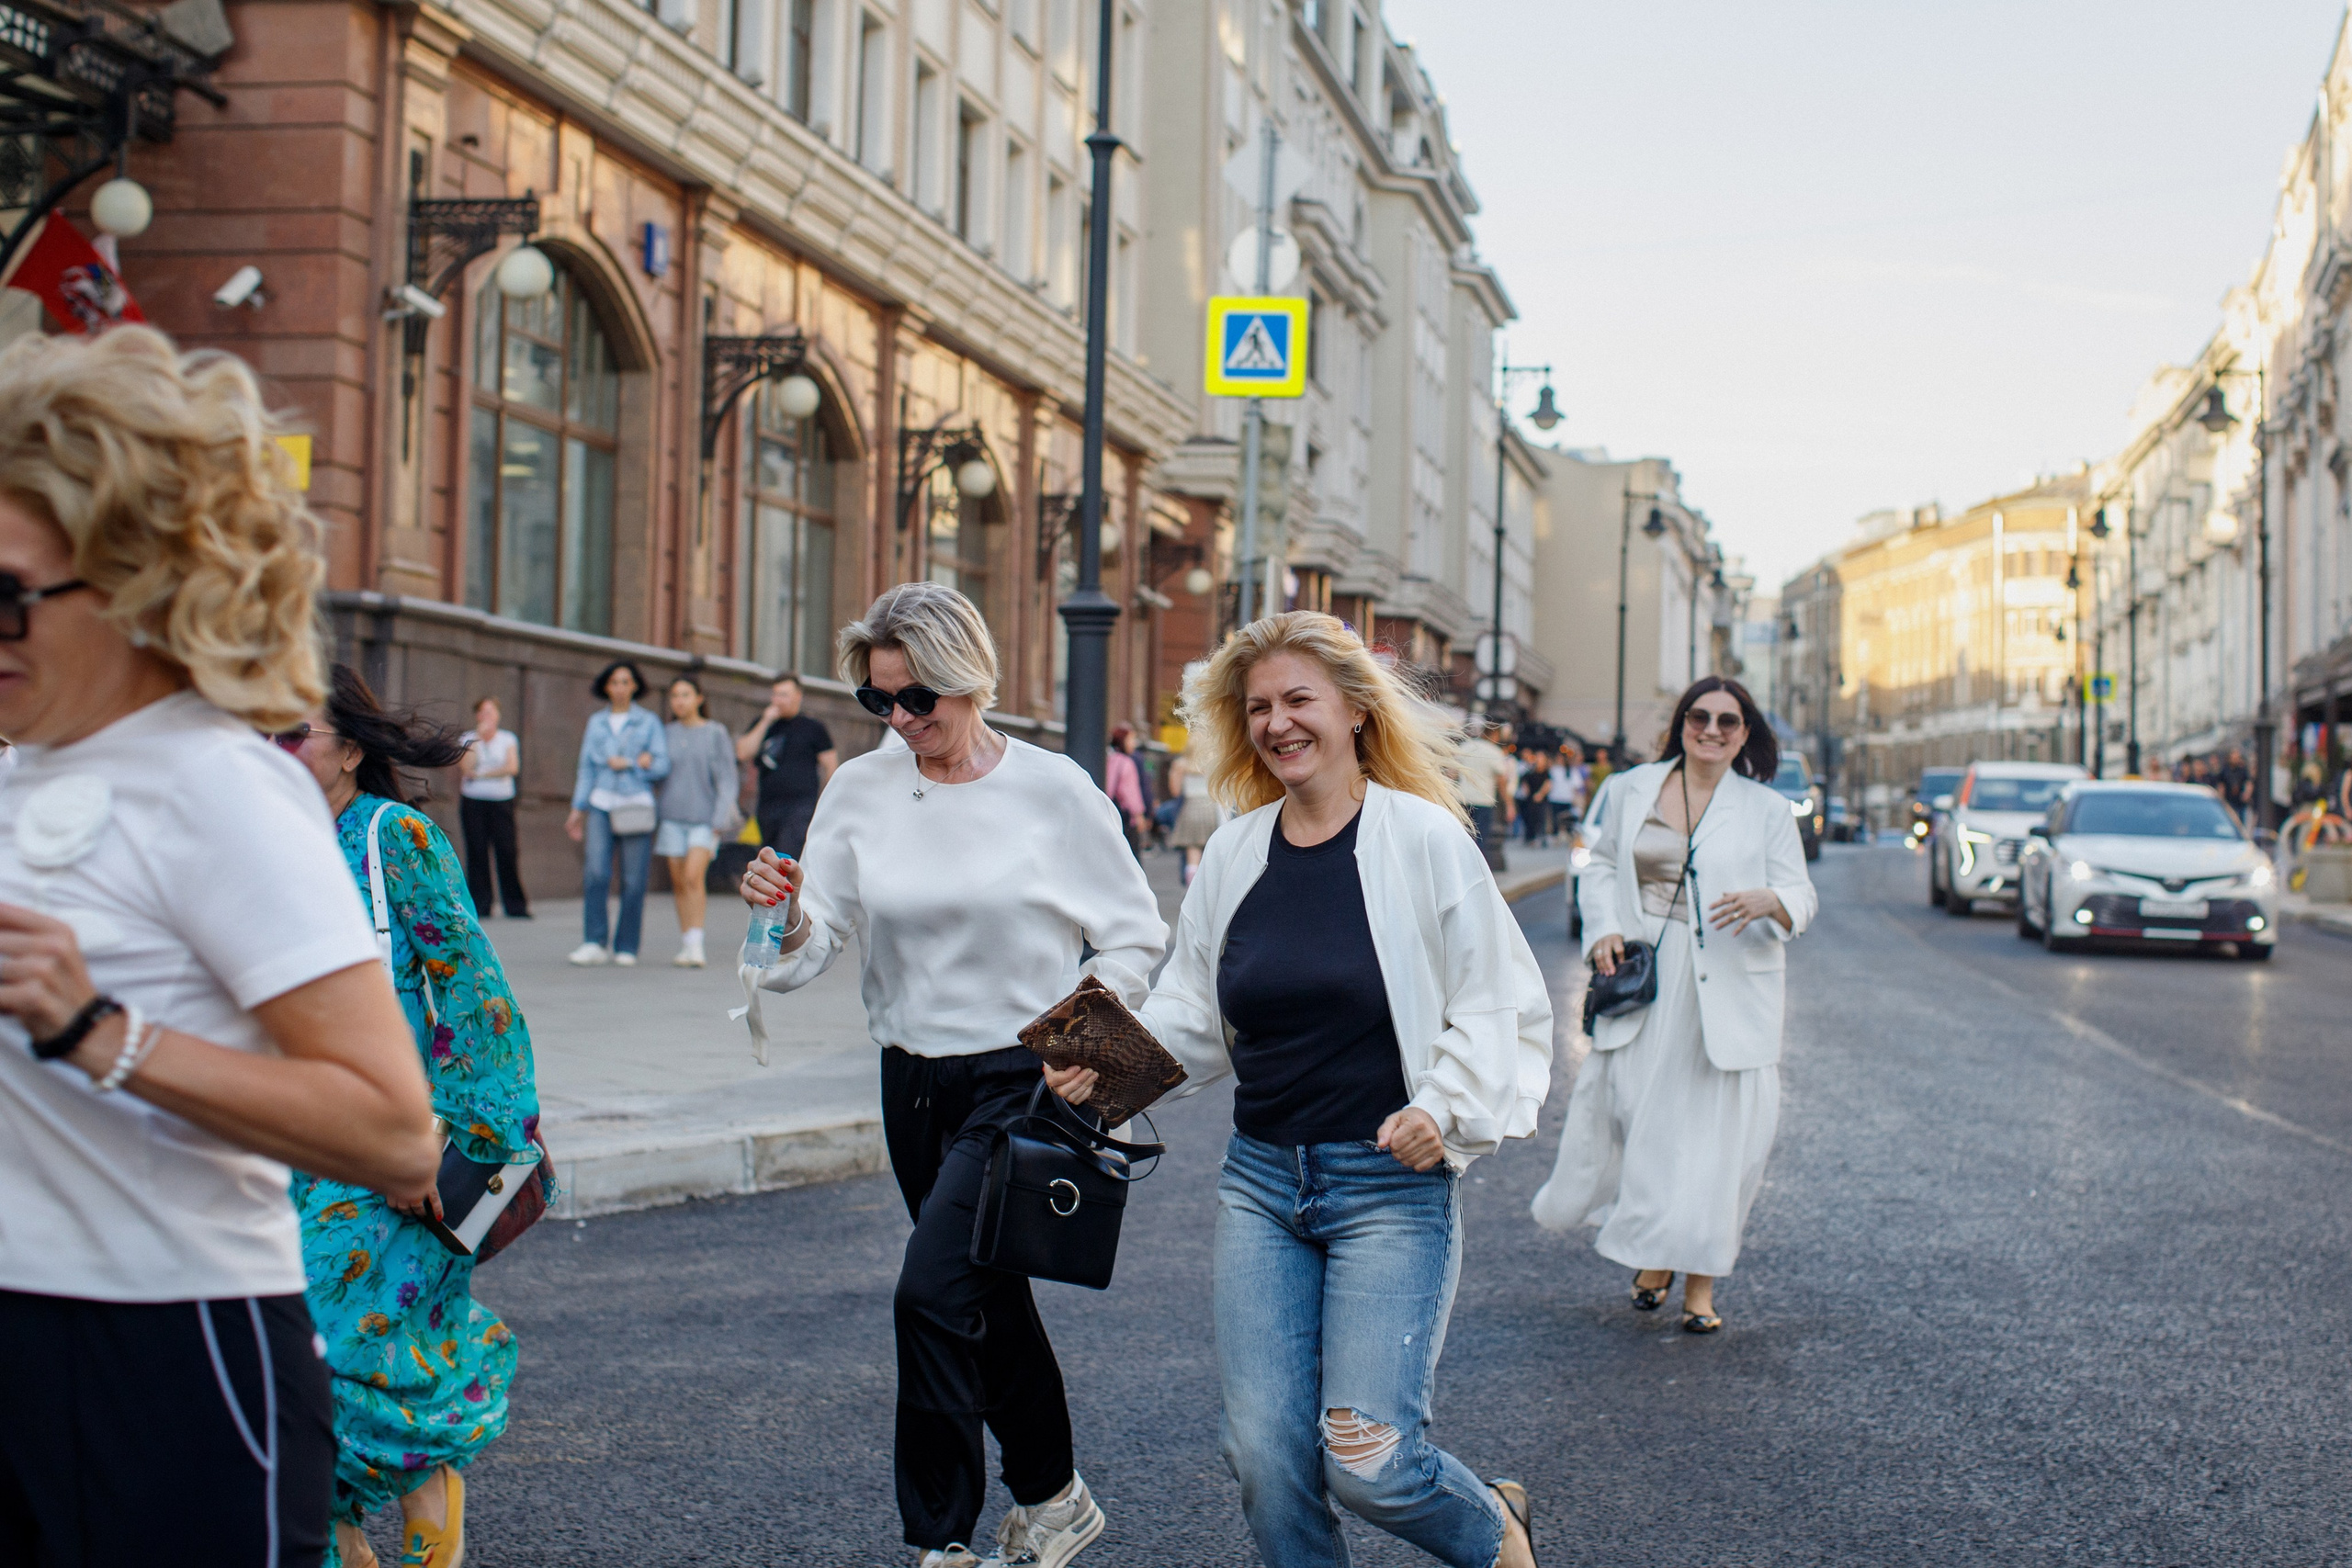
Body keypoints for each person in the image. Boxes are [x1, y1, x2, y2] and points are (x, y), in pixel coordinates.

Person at [0, 325, 438, 1565]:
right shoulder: (23, 771)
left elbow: (392, 1127)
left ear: (140, 584)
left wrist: (103, 1033)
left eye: (7, 594)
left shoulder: (219, 786)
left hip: (161, 1355)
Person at [1051, 611, 1550, 1568]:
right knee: (1264, 1457)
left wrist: (1439, 1110)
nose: (1277, 723)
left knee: (1370, 1459)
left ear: (1355, 712)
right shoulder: (1236, 851)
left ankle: (1493, 1523)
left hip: (1388, 1188)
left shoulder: (1423, 840)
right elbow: (1197, 1011)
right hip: (1262, 1186)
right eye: (1259, 708)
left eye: (1297, 701)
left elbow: (1494, 1003)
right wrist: (1099, 1067)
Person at [739, 581, 1166, 1568]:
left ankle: (939, 1542)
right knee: (985, 1297)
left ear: (968, 678)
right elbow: (810, 949)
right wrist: (781, 910)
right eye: (877, 701)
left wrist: (1083, 1042)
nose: (898, 720)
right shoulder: (861, 788)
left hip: (1024, 1081)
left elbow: (1136, 934)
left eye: (915, 699)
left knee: (930, 1293)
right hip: (913, 1086)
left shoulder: (1053, 790)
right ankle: (1056, 1498)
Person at [281, 663, 544, 1568]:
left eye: (292, 732)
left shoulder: (393, 839)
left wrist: (474, 1149)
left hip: (388, 1153)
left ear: (352, 750)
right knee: (292, 1374)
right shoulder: (255, 849)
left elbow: (476, 995)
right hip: (277, 1149)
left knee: (350, 1361)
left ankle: (425, 1527)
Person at [1532, 675, 1818, 1334]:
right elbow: (1601, 865)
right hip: (1651, 981)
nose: (1712, 730)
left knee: (1720, 1141)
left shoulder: (1765, 809)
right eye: (1700, 717)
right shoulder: (1633, 788)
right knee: (1645, 1123)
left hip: (1731, 984)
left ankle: (1702, 1283)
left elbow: (1801, 893)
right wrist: (1602, 925)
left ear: (1746, 733)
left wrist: (1769, 901)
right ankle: (1657, 1252)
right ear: (1682, 723)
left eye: (1728, 721)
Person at [566, 660, 670, 966]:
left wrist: (632, 763)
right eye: (614, 682)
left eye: (626, 682)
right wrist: (577, 808)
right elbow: (586, 768)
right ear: (607, 687)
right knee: (596, 872)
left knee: (634, 880)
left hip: (636, 803)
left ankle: (627, 945)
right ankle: (594, 941)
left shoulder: (648, 722)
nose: (620, 687)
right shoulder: (597, 723)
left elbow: (662, 765)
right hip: (600, 801)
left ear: (635, 686)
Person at [658, 672, 741, 967]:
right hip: (671, 818)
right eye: (674, 696)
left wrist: (720, 817)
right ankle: (687, 943)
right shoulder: (665, 733)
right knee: (679, 882)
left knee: (694, 877)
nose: (679, 701)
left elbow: (728, 779)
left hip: (705, 820)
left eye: (685, 695)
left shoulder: (714, 732)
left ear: (699, 698)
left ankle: (697, 943)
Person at [737, 672, 838, 860]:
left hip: (800, 806)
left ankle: (789, 890)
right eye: (775, 694)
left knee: (787, 855)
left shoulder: (813, 727)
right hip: (768, 806)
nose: (778, 700)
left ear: (798, 696)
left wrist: (824, 802)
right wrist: (765, 721)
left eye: (784, 694)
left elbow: (830, 765)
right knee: (769, 858)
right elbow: (743, 752)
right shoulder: (765, 723)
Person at [458, 694, 530, 919]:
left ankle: (515, 905)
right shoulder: (468, 739)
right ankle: (480, 905)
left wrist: (484, 773)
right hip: (473, 801)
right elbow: (467, 768)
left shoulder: (508, 739)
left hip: (501, 801)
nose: (486, 716)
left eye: (490, 712)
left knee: (507, 851)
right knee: (477, 851)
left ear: (498, 715)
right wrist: (478, 738)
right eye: (482, 712)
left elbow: (511, 767)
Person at [1452, 717, 1515, 868]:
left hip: (1462, 798)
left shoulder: (1466, 746)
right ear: (1494, 734)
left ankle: (1460, 867)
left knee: (1462, 837)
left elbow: (1452, 773)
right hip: (1483, 801)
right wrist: (1509, 805)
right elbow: (1501, 782)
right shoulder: (1495, 752)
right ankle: (1474, 871)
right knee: (1480, 840)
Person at [1168, 741, 1220, 886]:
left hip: (1191, 808)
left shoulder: (1181, 764)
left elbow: (1175, 791)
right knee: (1215, 851)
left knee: (1193, 853)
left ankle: (1192, 888)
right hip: (1211, 808)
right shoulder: (1216, 761)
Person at [1105, 724, 1148, 859]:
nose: (1134, 744)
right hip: (1126, 816)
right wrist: (1139, 815)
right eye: (1131, 739)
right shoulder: (1127, 763)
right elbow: (1130, 793)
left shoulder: (1109, 759)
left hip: (1111, 811)